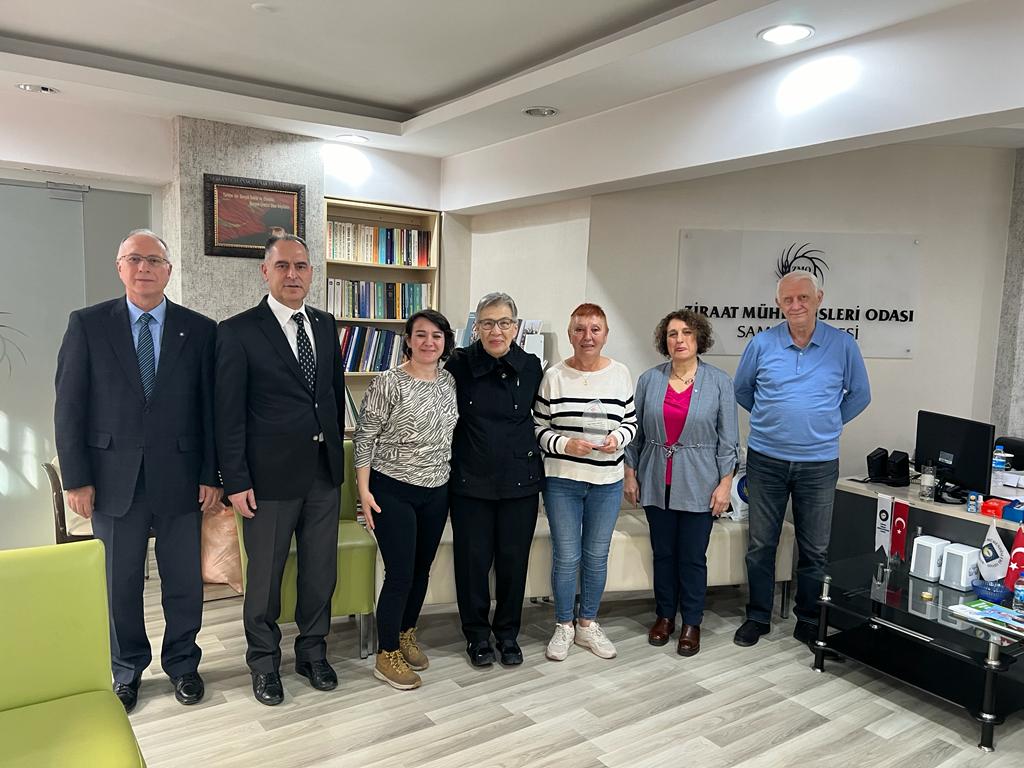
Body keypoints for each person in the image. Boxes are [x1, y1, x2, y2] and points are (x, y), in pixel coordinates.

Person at [54, 228, 219, 714]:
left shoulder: (200, 329)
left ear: (168, 271)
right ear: (120, 267)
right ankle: (126, 669)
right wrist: (76, 478)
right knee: (119, 581)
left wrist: (212, 474)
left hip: (182, 476)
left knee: (183, 580)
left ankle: (183, 664)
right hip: (111, 478)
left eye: (154, 260)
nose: (144, 267)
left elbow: (211, 410)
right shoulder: (88, 324)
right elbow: (69, 406)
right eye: (134, 259)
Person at [215, 234, 346, 706]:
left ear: (311, 273)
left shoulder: (325, 325)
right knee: (265, 579)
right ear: (265, 272)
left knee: (319, 573)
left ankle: (313, 653)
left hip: (322, 474)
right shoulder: (237, 331)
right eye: (284, 266)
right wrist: (235, 480)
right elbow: (227, 415)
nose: (294, 274)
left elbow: (331, 396)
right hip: (267, 479)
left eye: (302, 266)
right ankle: (264, 663)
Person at [732, 271, 871, 649]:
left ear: (819, 298)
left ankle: (808, 619)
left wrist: (827, 422)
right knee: (761, 545)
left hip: (818, 464)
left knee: (815, 549)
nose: (796, 305)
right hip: (766, 460)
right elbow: (742, 389)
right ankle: (758, 616)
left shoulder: (842, 345)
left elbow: (860, 394)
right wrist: (774, 420)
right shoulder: (762, 344)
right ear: (778, 303)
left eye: (803, 298)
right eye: (788, 299)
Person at [624, 309, 738, 657]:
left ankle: (691, 622)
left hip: (700, 482)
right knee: (663, 554)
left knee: (692, 557)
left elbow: (729, 439)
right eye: (672, 334)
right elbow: (634, 433)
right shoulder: (649, 380)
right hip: (656, 479)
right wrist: (630, 473)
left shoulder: (719, 382)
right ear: (665, 341)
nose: (679, 340)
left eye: (687, 333)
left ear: (699, 338)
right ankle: (664, 616)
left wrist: (725, 484)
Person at [355, 309, 459, 690]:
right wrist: (363, 492)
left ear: (445, 342)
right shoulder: (388, 382)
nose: (429, 342)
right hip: (392, 489)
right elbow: (364, 437)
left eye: (436, 335)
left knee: (421, 569)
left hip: (437, 489)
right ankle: (386, 655)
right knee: (399, 573)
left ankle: (405, 633)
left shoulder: (449, 381)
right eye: (421, 335)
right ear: (408, 340)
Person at [445, 293, 544, 667]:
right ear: (477, 328)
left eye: (504, 323)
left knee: (513, 562)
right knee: (471, 563)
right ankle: (476, 635)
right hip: (470, 480)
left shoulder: (531, 366)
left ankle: (507, 634)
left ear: (515, 327)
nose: (495, 331)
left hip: (520, 481)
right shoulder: (458, 364)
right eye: (487, 323)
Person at [534, 303, 637, 661]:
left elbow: (631, 422)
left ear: (606, 334)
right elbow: (537, 428)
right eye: (580, 329)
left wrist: (617, 439)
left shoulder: (620, 373)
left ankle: (587, 623)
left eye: (595, 329)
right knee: (566, 556)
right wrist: (565, 444)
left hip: (606, 482)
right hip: (562, 481)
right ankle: (563, 624)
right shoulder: (553, 376)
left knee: (596, 555)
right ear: (570, 334)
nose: (587, 336)